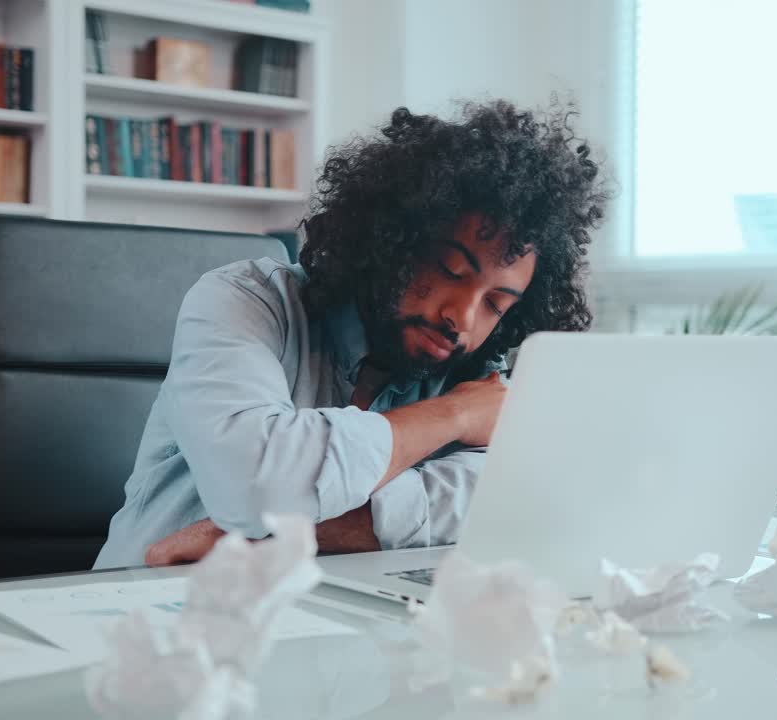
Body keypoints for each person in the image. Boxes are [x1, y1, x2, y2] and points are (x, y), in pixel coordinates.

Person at [93, 100, 607, 569]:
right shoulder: (243, 301)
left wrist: (277, 537)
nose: (463, 318)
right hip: (138, 608)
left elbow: (505, 498)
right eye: (451, 271)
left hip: (314, 615)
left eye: (495, 304)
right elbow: (257, 485)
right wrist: (455, 415)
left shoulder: (472, 372)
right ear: (391, 238)